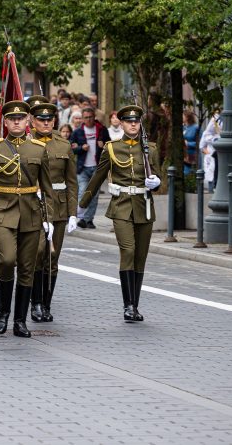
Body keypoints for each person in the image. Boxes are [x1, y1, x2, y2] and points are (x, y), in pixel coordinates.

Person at [0, 100, 54, 338]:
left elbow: (48, 188)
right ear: (5, 122)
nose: (17, 121)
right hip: (3, 211)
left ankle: (20, 321)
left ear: (28, 121)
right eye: (12, 118)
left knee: (28, 268)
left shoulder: (39, 149)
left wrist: (48, 218)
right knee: (7, 260)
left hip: (31, 212)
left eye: (21, 118)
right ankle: (2, 312)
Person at [78, 105, 160, 322]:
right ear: (121, 123)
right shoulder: (112, 148)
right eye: (128, 121)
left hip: (144, 206)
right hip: (121, 206)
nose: (133, 124)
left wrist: (156, 183)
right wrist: (80, 207)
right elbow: (97, 177)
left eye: (136, 121)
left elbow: (158, 178)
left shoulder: (150, 149)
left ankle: (135, 304)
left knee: (140, 257)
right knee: (129, 250)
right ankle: (128, 305)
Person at [28, 102, 78, 323]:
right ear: (33, 121)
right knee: (38, 254)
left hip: (57, 207)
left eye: (49, 120)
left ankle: (46, 304)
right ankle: (35, 303)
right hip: (32, 205)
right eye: (41, 119)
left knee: (52, 257)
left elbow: (71, 182)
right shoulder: (26, 143)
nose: (46, 123)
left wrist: (73, 212)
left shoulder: (63, 145)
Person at [70, 107, 107, 228]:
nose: (89, 119)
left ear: (94, 116)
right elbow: (70, 149)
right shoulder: (77, 132)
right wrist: (81, 148)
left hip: (97, 167)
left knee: (94, 195)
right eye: (86, 117)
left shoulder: (101, 130)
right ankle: (79, 217)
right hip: (82, 167)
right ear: (82, 118)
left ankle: (88, 219)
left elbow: (111, 146)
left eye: (91, 117)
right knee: (82, 193)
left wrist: (103, 146)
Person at [183, 110, 200, 175]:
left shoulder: (195, 127)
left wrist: (188, 144)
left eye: (183, 115)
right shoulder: (183, 127)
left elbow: (199, 143)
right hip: (184, 155)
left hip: (192, 155)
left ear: (187, 117)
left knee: (189, 173)